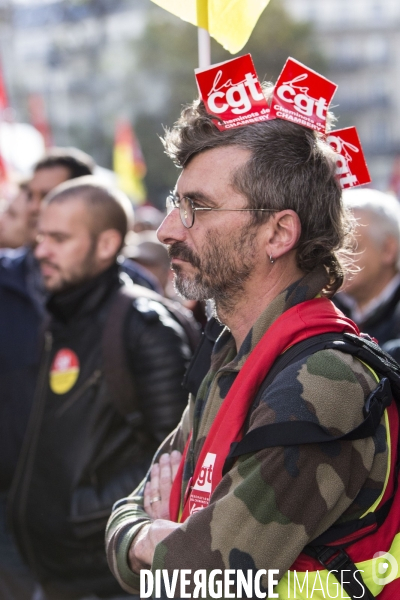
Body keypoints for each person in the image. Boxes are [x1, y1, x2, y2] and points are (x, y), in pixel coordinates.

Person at [106, 92, 398, 599]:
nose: (167, 229)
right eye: (178, 203)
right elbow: (126, 515)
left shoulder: (324, 377)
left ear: (279, 232)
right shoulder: (231, 353)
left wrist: (155, 536)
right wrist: (148, 536)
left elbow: (202, 576)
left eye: (197, 206)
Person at [7, 176, 192, 600]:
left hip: (110, 576)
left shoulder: (145, 326)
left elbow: (176, 453)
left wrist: (82, 511)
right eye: (40, 237)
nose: (41, 251)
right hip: (57, 570)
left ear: (107, 244)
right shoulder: (61, 316)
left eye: (58, 238)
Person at [334, 188, 400, 345]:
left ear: (387, 249)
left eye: (350, 248)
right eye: (334, 249)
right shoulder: (325, 306)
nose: (338, 259)